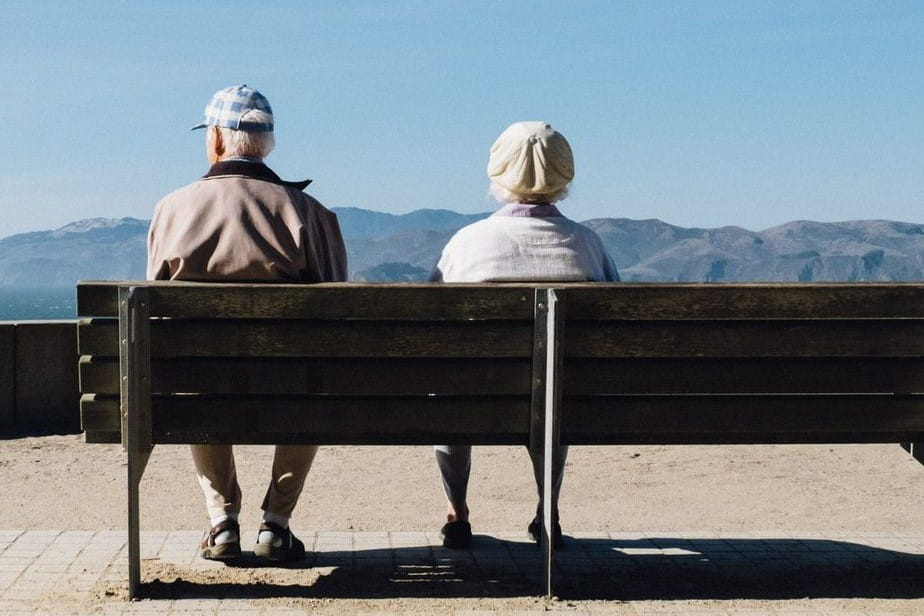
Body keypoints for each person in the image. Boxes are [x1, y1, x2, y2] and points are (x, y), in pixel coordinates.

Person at [147, 85, 347, 562]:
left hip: (202, 385)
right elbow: (340, 308)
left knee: (195, 377)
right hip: (291, 385)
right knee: (312, 384)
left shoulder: (172, 209)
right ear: (266, 144)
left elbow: (153, 311)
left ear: (217, 139)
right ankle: (276, 523)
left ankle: (222, 523)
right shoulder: (309, 214)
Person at [431, 121, 619, 549]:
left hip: (476, 396)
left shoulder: (467, 243)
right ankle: (547, 510)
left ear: (497, 174)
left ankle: (457, 512)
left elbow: (432, 324)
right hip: (565, 399)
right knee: (552, 390)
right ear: (565, 175)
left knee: (451, 390)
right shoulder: (588, 246)